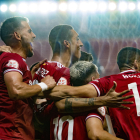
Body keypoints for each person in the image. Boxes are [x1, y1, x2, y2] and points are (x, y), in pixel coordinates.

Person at [51, 47, 140, 140]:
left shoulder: (108, 83)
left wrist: (41, 88)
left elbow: (60, 102)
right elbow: (96, 134)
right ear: (136, 63)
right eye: (98, 74)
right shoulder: (98, 104)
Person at [0, 17, 56, 140]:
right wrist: (44, 85)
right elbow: (16, 91)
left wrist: (29, 78)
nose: (34, 35)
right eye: (29, 31)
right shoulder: (12, 59)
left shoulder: (12, 60)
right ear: (17, 35)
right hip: (11, 134)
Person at [49, 61, 123, 140]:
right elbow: (96, 134)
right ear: (93, 80)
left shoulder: (55, 102)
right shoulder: (94, 105)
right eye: (99, 77)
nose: (100, 80)